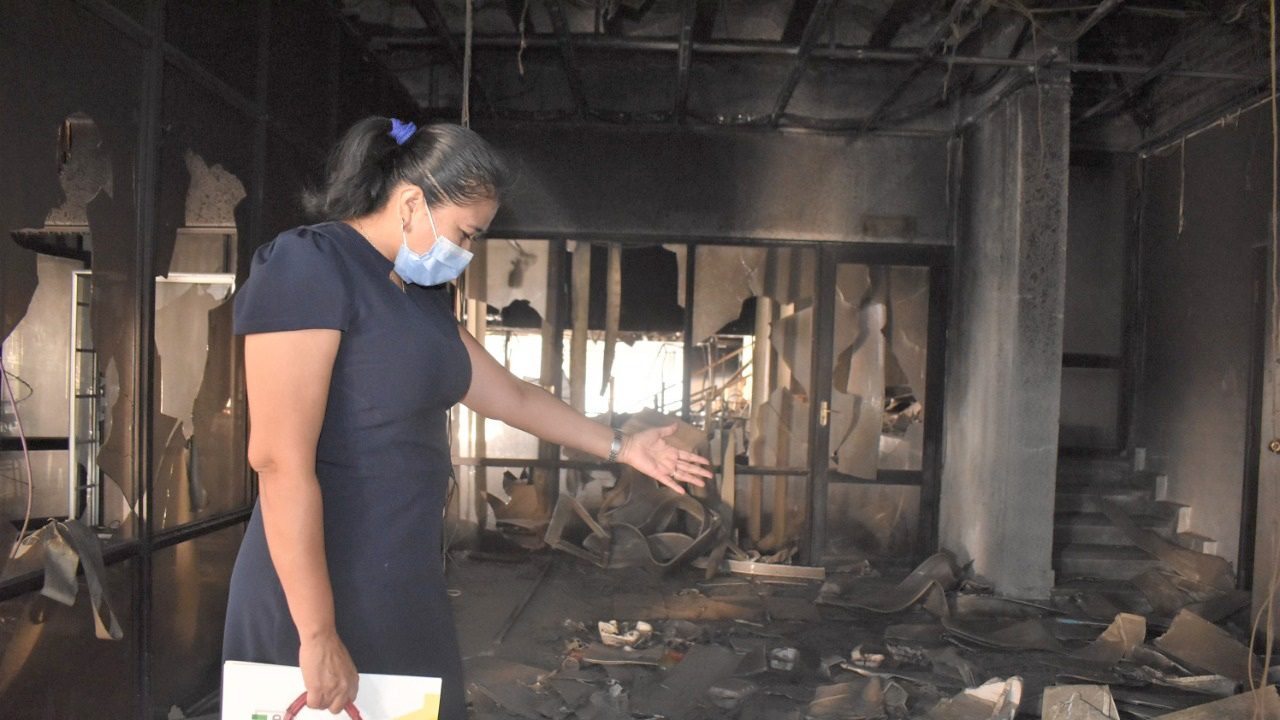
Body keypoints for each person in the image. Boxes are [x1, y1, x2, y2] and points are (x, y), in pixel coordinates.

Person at [221, 117, 712, 717]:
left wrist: (624, 446)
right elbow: (278, 461)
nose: (467, 253)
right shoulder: (308, 266)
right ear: (410, 204)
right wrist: (318, 633)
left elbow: (515, 397)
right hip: (316, 585)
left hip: (403, 578)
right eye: (466, 233)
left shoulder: (418, 295)